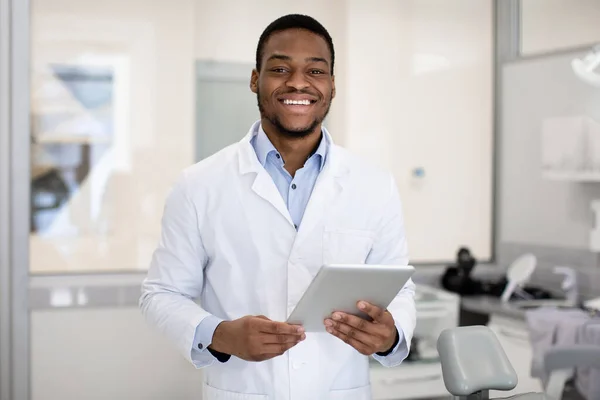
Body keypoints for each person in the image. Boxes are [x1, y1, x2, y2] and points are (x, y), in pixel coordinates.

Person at [140, 14, 416, 400]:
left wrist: (390, 335)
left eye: (315, 71)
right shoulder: (199, 184)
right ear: (256, 79)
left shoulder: (373, 185)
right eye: (280, 68)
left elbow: (399, 291)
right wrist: (220, 335)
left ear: (332, 86)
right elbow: (162, 293)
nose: (298, 83)